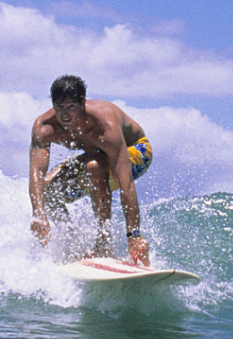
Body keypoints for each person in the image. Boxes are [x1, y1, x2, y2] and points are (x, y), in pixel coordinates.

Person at [28, 75, 153, 265]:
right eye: (60, 107)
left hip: (136, 151)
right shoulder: (44, 127)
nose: (65, 115)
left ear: (83, 104)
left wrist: (133, 234)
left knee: (94, 166)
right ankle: (71, 244)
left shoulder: (105, 126)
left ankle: (104, 243)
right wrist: (39, 215)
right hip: (95, 155)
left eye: (72, 107)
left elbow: (125, 182)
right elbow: (36, 173)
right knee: (48, 190)